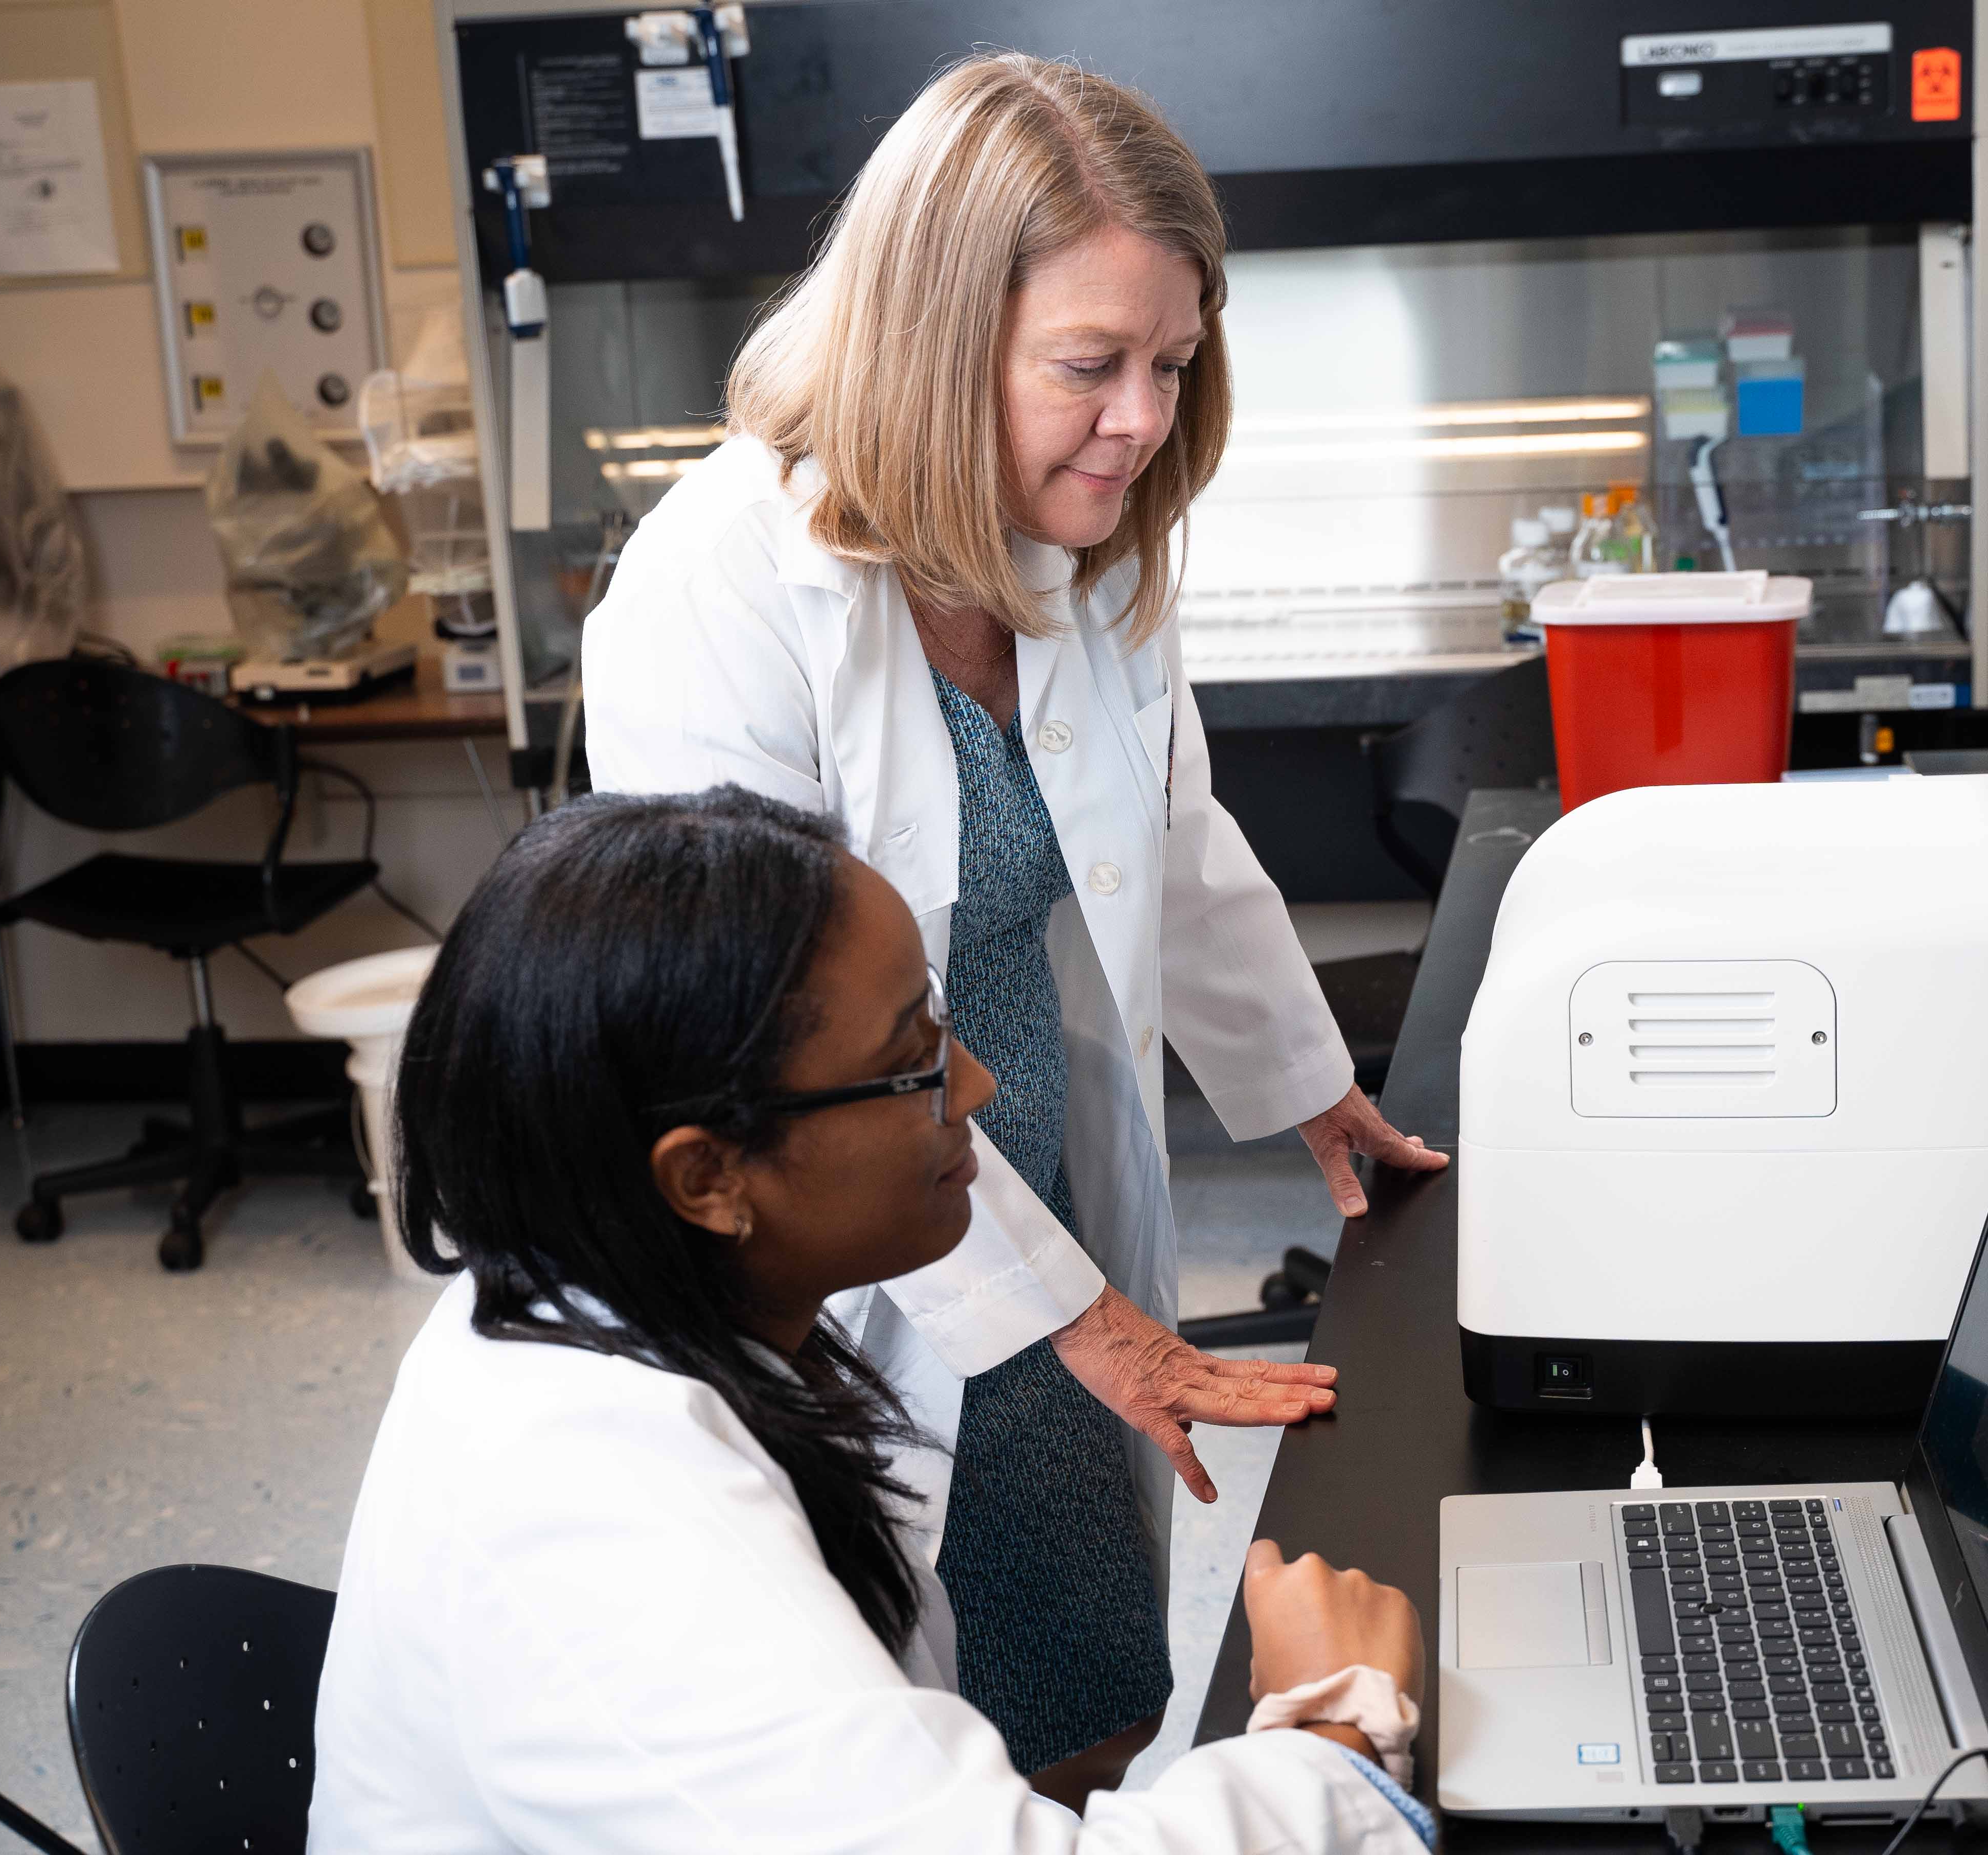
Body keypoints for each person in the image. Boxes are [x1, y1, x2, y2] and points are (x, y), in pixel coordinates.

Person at [581, 52, 1447, 1791]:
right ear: (926, 335)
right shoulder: (723, 590)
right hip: (833, 1244)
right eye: (1089, 367)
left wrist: (1308, 1087)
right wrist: (1071, 1314)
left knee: (1087, 1684)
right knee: (898, 1736)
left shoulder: (1079, 545)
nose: (1140, 417)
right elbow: (760, 1037)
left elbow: (1175, 842)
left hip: (1026, 1167)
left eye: (1173, 364)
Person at [308, 787, 1430, 1853]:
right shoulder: (596, 1514)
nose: (979, 1088)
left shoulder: (613, 1292)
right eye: (913, 1065)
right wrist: (1334, 1729)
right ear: (707, 1178)